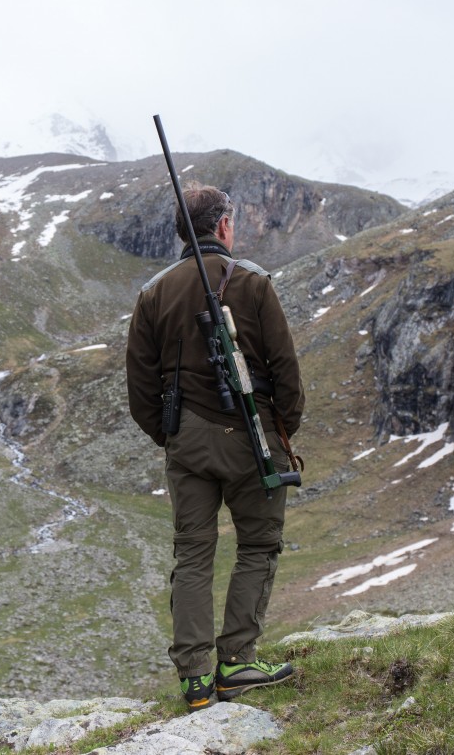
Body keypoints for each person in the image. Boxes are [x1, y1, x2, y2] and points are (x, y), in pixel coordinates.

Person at [125, 182, 305, 711]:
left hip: (186, 441)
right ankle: (240, 662)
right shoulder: (253, 283)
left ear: (182, 231)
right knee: (257, 545)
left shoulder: (153, 293)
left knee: (193, 553)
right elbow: (286, 371)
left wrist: (173, 433)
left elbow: (140, 390)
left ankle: (196, 680)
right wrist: (280, 429)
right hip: (255, 440)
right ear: (224, 226)